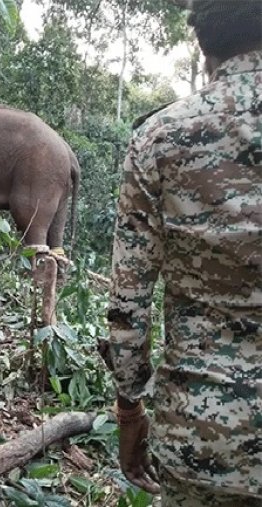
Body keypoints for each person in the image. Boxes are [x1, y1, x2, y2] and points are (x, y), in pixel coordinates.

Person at [107, 1, 262, 505]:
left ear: (202, 44)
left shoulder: (160, 139)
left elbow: (128, 307)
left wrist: (130, 413)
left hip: (201, 446)